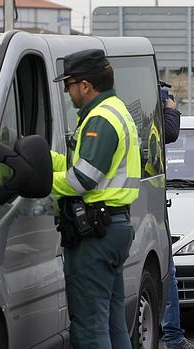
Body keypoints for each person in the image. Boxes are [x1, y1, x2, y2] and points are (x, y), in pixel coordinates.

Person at [50, 49, 140, 348]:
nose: (68, 92)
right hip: (113, 226)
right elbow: (86, 166)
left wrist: (42, 182)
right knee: (114, 323)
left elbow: (83, 179)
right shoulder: (115, 110)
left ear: (85, 85)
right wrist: (43, 159)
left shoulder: (100, 119)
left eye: (69, 85)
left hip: (96, 233)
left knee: (90, 327)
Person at [159, 88, 194, 349]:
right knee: (165, 271)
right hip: (143, 203)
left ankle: (172, 335)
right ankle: (173, 337)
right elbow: (170, 133)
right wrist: (170, 106)